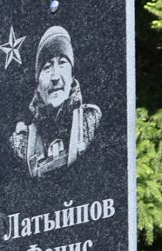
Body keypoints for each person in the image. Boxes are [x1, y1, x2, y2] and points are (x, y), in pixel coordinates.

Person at [9, 26, 100, 177]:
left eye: (62, 63)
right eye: (47, 67)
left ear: (72, 73)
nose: (55, 77)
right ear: (37, 82)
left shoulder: (91, 119)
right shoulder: (21, 142)